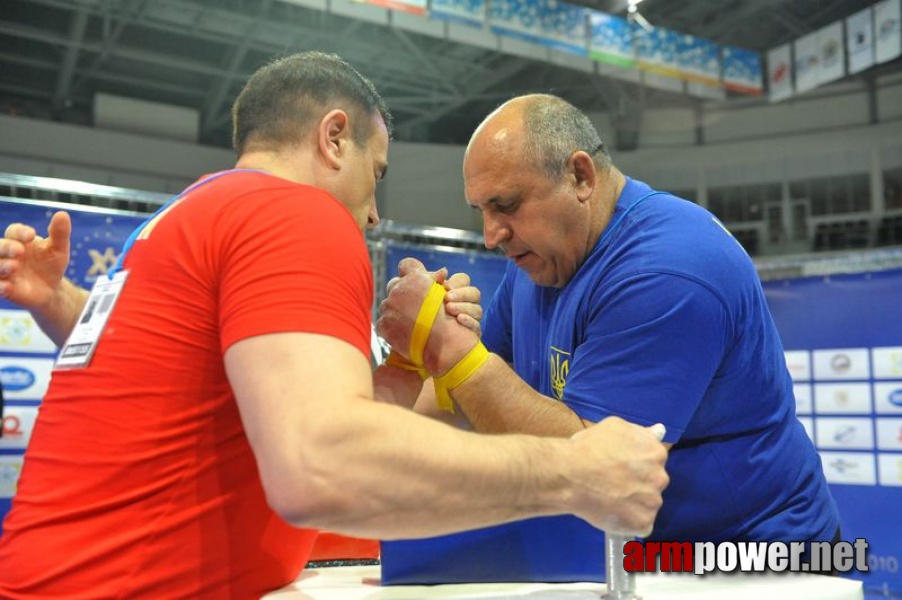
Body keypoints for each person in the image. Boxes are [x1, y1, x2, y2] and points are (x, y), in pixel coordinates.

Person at [0, 54, 669, 598]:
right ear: (333, 137)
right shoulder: (293, 213)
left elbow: (180, 392)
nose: (374, 213)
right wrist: (575, 472)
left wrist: (409, 362)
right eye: (375, 175)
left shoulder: (180, 217)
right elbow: (321, 466)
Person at [378, 94, 839, 547]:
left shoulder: (668, 268)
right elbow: (468, 402)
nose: (491, 235)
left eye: (508, 204)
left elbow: (597, 469)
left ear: (580, 176)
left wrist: (454, 350)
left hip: (760, 560)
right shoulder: (540, 260)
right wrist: (418, 355)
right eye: (481, 210)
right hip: (650, 553)